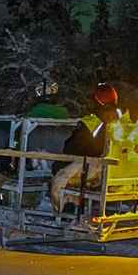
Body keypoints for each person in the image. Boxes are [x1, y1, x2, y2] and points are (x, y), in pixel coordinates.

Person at [49, 82, 120, 216]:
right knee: (72, 170)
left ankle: (63, 212)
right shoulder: (121, 120)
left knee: (59, 177)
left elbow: (73, 147)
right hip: (111, 169)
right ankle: (74, 204)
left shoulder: (92, 121)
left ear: (97, 101)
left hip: (92, 167)